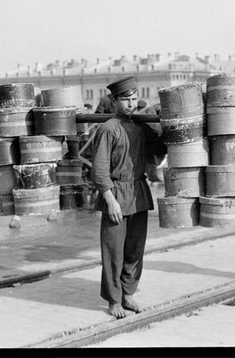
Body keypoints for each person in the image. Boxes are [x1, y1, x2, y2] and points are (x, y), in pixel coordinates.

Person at [90, 76, 167, 319]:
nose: (131, 104)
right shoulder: (108, 129)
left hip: (138, 193)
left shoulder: (141, 128)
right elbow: (99, 170)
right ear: (114, 102)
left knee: (135, 250)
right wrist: (110, 199)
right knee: (114, 251)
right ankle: (114, 300)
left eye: (134, 99)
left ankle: (128, 294)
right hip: (115, 194)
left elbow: (159, 148)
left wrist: (169, 124)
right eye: (126, 100)